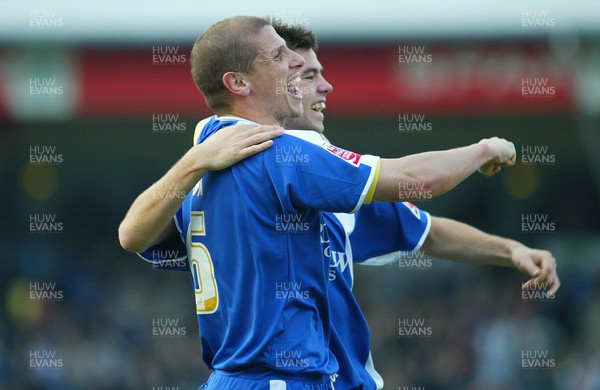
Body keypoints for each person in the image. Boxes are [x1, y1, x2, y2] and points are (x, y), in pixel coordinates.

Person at [119, 16, 521, 390]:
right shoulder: (279, 154)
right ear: (238, 83)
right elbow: (416, 180)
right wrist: (483, 149)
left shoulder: (203, 172)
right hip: (282, 379)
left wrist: (192, 161)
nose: (293, 63)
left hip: (230, 378)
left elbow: (131, 236)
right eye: (280, 57)